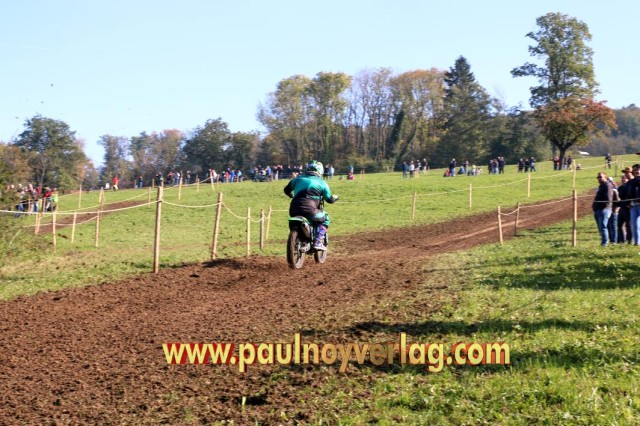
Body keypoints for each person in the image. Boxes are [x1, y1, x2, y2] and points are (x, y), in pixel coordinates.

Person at [283, 160, 339, 251]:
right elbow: (329, 199)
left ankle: (301, 238)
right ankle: (318, 241)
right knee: (325, 218)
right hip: (310, 210)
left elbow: (286, 190)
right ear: (320, 170)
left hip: (294, 209)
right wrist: (335, 198)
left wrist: (291, 195)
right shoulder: (322, 182)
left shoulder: (297, 179)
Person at [593, 172, 613, 246]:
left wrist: (604, 207)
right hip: (598, 209)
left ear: (605, 177)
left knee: (603, 227)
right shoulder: (601, 186)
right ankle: (604, 242)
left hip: (604, 209)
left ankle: (605, 243)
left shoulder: (607, 185)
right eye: (598, 177)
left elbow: (608, 198)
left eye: (600, 177)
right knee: (600, 228)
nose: (599, 178)